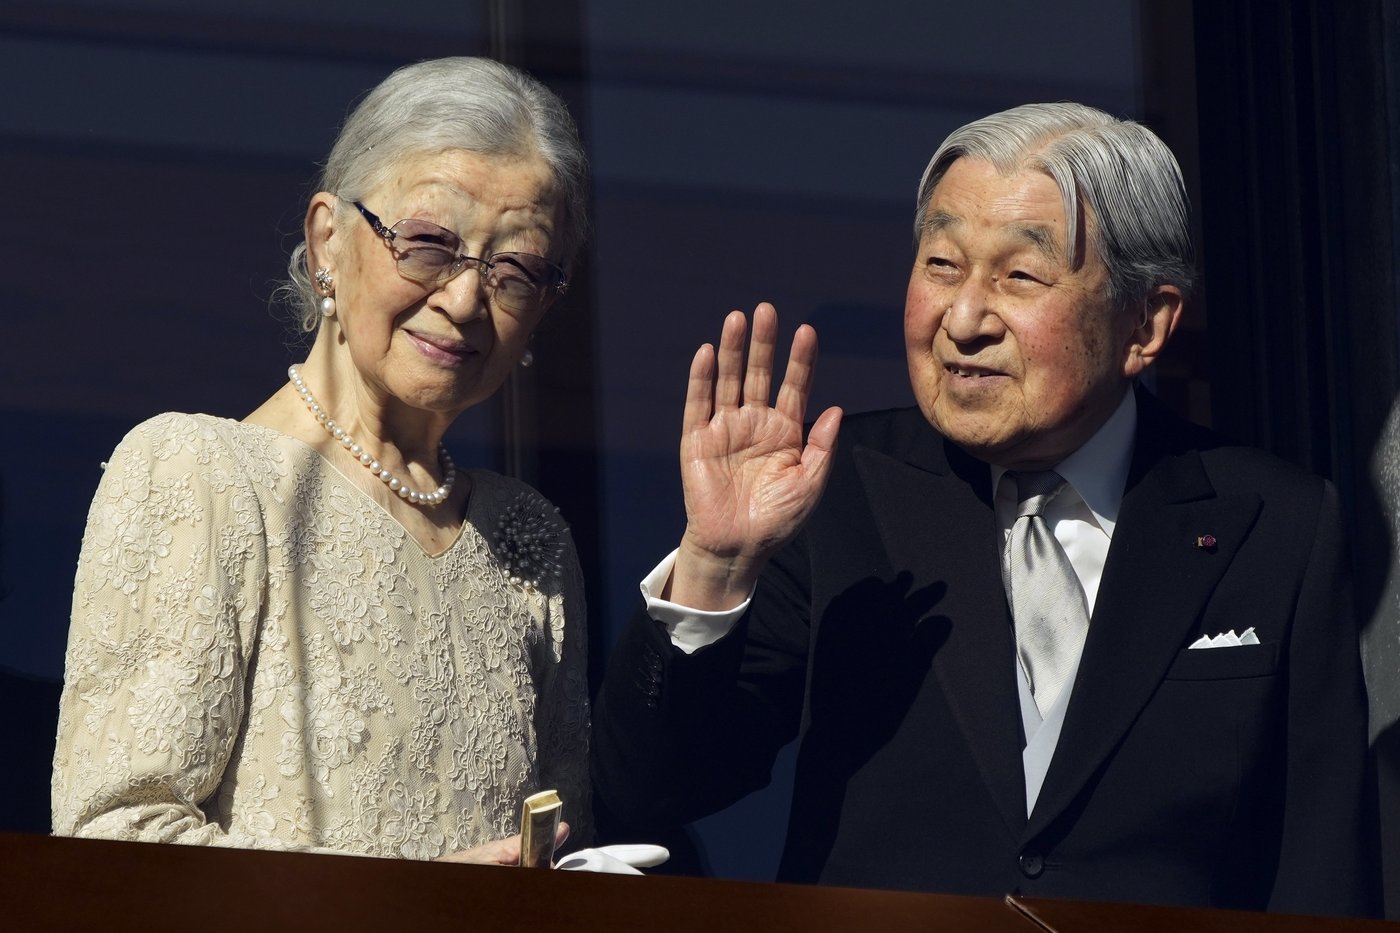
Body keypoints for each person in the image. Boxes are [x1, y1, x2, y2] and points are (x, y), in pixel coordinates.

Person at [592, 102, 1376, 914]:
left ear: (1146, 324)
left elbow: (1321, 869)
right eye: (940, 264)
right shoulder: (835, 491)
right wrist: (716, 562)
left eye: (1019, 276)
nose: (963, 319)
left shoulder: (1272, 522)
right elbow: (650, 789)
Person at [51, 57, 591, 863]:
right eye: (430, 244)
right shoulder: (200, 475)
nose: (465, 298)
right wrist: (416, 906)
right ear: (328, 240)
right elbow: (114, 845)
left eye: (513, 271)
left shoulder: (529, 541)